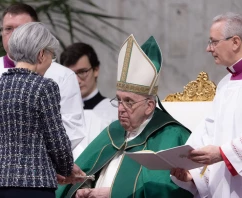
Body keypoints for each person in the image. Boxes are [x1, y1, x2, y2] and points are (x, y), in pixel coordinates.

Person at [56, 35, 193, 198]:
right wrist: (84, 188)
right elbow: (85, 171)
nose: (121, 108)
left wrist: (113, 194)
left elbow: (168, 190)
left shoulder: (171, 135)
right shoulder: (114, 130)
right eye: (119, 100)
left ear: (149, 106)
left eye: (129, 101)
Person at [0, 3, 85, 155]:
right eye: (8, 29)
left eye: (22, 29)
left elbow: (72, 127)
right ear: (1, 32)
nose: (15, 35)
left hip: (42, 165)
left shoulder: (63, 76)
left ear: (37, 32)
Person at [0, 22, 82, 198]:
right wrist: (67, 168)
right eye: (52, 56)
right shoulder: (44, 87)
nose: (50, 63)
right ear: (41, 54)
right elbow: (56, 139)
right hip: (34, 187)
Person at [171, 12, 242, 198]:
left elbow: (218, 150)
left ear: (235, 42)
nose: (208, 48)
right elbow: (209, 136)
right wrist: (191, 174)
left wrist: (222, 153)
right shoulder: (225, 84)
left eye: (213, 42)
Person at [60, 43, 118, 159]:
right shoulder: (58, 113)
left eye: (82, 72)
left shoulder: (115, 110)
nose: (76, 80)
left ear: (96, 70)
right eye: (70, 74)